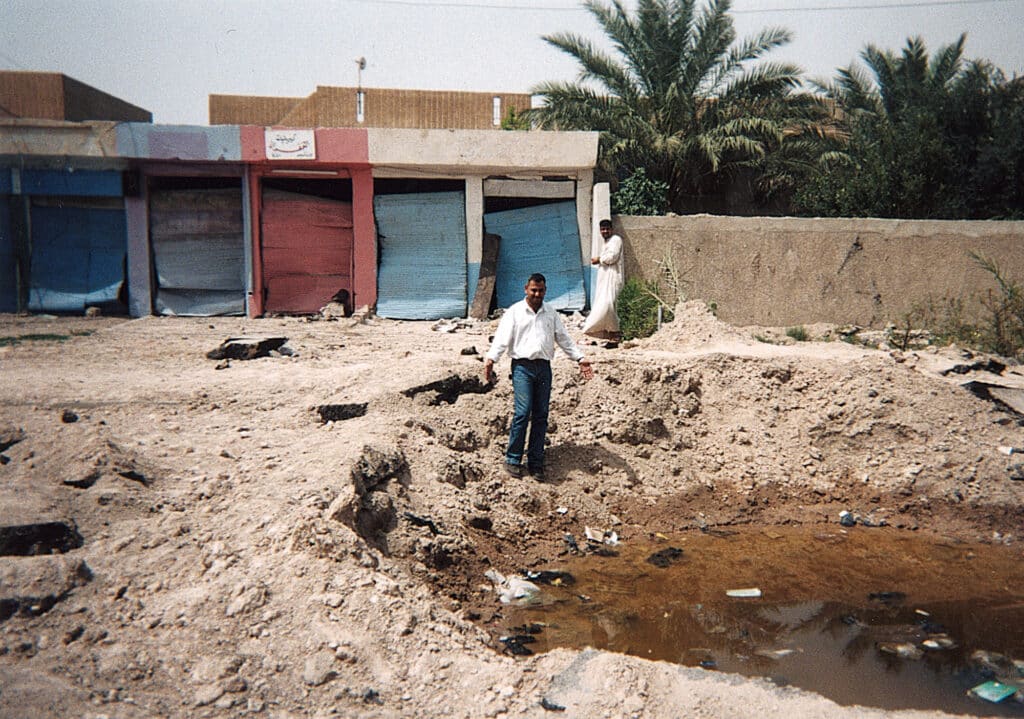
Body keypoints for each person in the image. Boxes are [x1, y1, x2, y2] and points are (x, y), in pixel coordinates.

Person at [484, 273, 593, 480]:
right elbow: (501, 338)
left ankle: (536, 462)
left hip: (543, 368)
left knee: (541, 415)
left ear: (545, 291)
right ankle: (513, 459)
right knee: (523, 413)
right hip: (522, 368)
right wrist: (491, 359)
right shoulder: (515, 312)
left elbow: (563, 338)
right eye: (533, 290)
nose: (537, 294)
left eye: (541, 290)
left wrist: (580, 358)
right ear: (526, 289)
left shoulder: (550, 313)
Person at [582, 219, 624, 341]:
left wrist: (599, 259)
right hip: (604, 279)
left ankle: (615, 333)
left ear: (611, 229)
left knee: (609, 305)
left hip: (613, 277)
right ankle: (608, 334)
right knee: (603, 304)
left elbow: (612, 257)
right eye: (602, 229)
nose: (605, 231)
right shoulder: (605, 243)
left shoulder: (616, 240)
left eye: (607, 229)